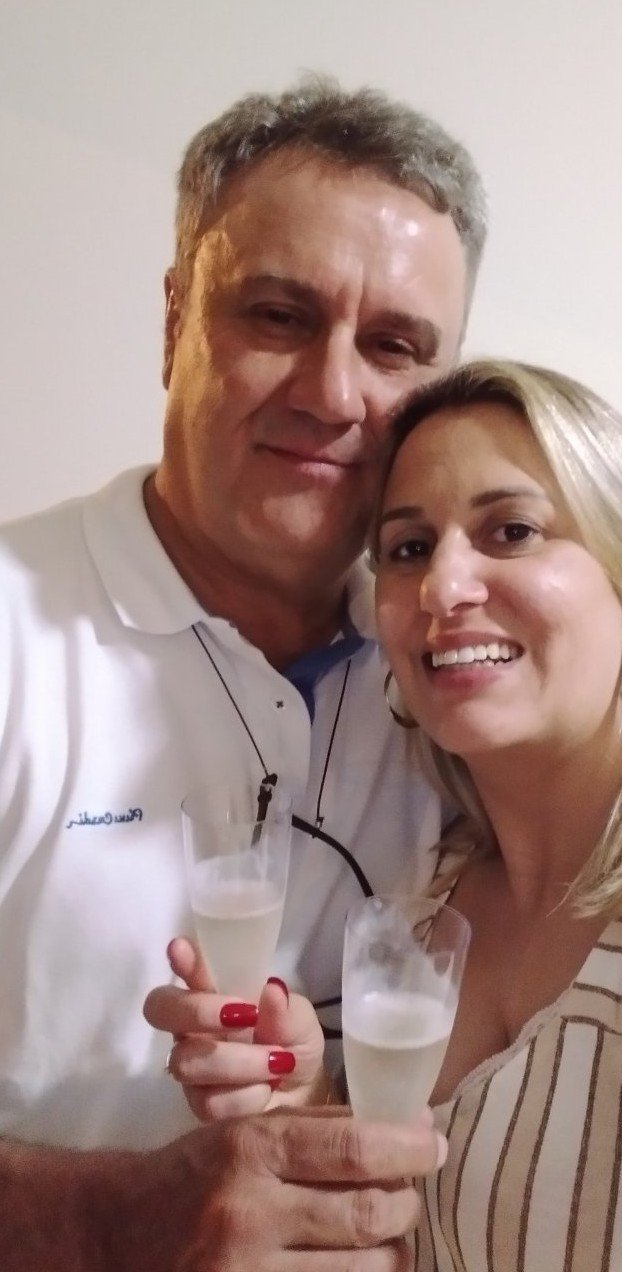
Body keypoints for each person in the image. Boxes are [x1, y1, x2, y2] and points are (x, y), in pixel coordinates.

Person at [0, 78, 487, 1269]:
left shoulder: (460, 684)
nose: (333, 394)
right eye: (277, 315)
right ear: (174, 318)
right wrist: (104, 1220)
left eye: (393, 347)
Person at [164, 360, 622, 1268]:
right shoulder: (428, 898)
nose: (443, 586)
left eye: (512, 531)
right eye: (409, 548)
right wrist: (306, 1108)